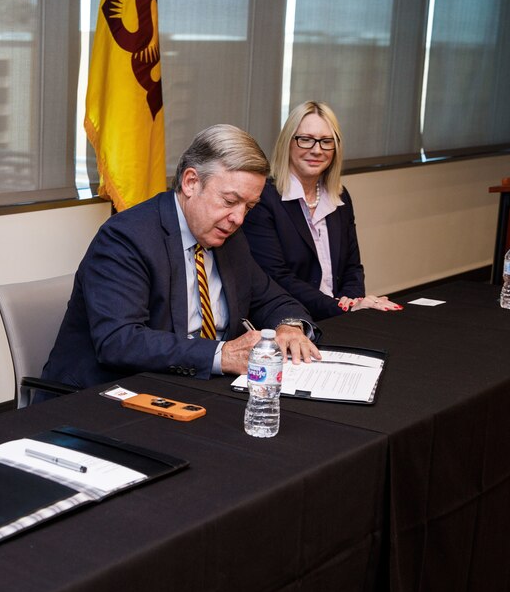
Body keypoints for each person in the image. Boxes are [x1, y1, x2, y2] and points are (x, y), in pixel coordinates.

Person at [40, 124, 320, 393]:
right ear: (190, 182)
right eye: (230, 201)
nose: (238, 218)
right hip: (106, 396)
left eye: (249, 206)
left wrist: (290, 327)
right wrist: (222, 354)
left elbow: (273, 298)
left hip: (193, 388)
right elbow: (120, 341)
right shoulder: (126, 238)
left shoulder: (229, 238)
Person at [242, 101, 399, 320]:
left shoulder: (340, 197)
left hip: (339, 317)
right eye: (305, 139)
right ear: (288, 142)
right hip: (290, 322)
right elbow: (277, 277)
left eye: (326, 141)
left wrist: (351, 302)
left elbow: (352, 268)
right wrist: (341, 308)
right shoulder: (264, 199)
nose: (316, 150)